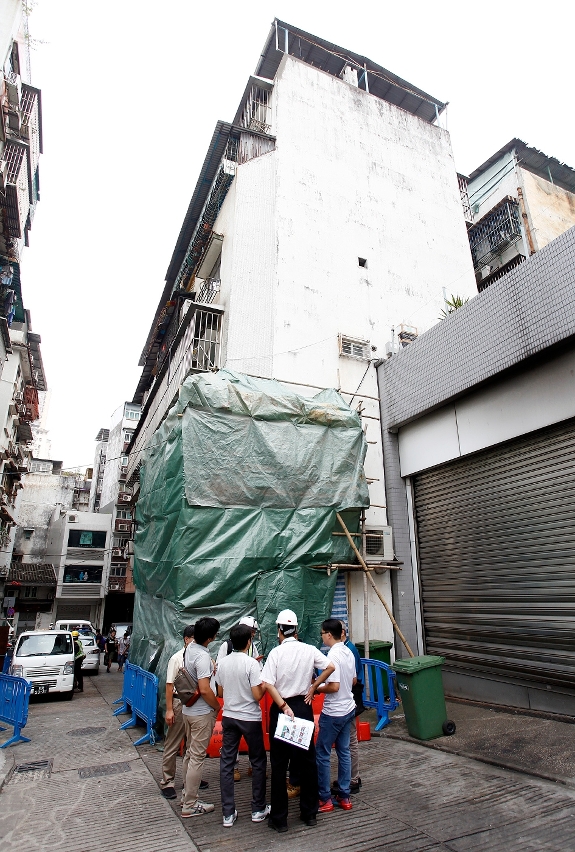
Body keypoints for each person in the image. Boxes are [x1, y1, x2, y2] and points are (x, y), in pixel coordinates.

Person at [261, 608, 335, 833]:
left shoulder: (275, 653)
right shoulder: (309, 649)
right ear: (296, 629)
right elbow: (330, 667)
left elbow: (267, 684)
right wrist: (313, 687)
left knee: (279, 764)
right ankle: (309, 813)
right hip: (304, 707)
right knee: (307, 761)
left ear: (279, 630)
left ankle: (280, 819)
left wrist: (283, 706)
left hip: (282, 709)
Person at [215, 623, 269, 827]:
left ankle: (228, 813)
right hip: (250, 718)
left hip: (229, 716)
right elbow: (257, 695)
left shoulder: (222, 664)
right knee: (258, 761)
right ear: (248, 642)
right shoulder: (252, 664)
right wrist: (264, 685)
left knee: (227, 763)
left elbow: (220, 693)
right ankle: (258, 808)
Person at [312, 618, 357, 813]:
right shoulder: (348, 651)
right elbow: (353, 680)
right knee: (344, 752)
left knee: (322, 753)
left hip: (334, 712)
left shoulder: (333, 656)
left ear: (329, 635)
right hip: (349, 708)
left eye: (322, 633)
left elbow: (334, 686)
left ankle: (325, 798)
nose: (322, 637)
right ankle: (344, 796)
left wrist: (316, 688)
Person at [181, 616, 220, 818]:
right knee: (197, 757)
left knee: (189, 753)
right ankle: (190, 803)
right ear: (211, 638)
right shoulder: (203, 657)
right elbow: (204, 689)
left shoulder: (189, 649)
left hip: (188, 711)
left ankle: (186, 794)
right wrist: (216, 706)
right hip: (201, 712)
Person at [216, 616, 263, 782]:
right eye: (251, 632)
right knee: (233, 747)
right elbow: (220, 669)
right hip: (237, 700)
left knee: (247, 746)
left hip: (243, 702)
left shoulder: (253, 648)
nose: (253, 635)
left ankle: (251, 765)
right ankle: (236, 767)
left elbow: (259, 668)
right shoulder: (225, 646)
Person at [160, 624, 200, 800]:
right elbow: (169, 685)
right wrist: (169, 710)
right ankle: (167, 781)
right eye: (194, 639)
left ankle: (189, 779)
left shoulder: (198, 657)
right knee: (173, 743)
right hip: (178, 702)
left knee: (192, 744)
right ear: (186, 639)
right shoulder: (176, 658)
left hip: (195, 703)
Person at [332, 622, 363, 795]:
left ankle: (352, 779)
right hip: (348, 699)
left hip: (348, 700)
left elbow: (353, 679)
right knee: (347, 741)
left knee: (349, 741)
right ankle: (350, 778)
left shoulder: (348, 650)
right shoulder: (346, 648)